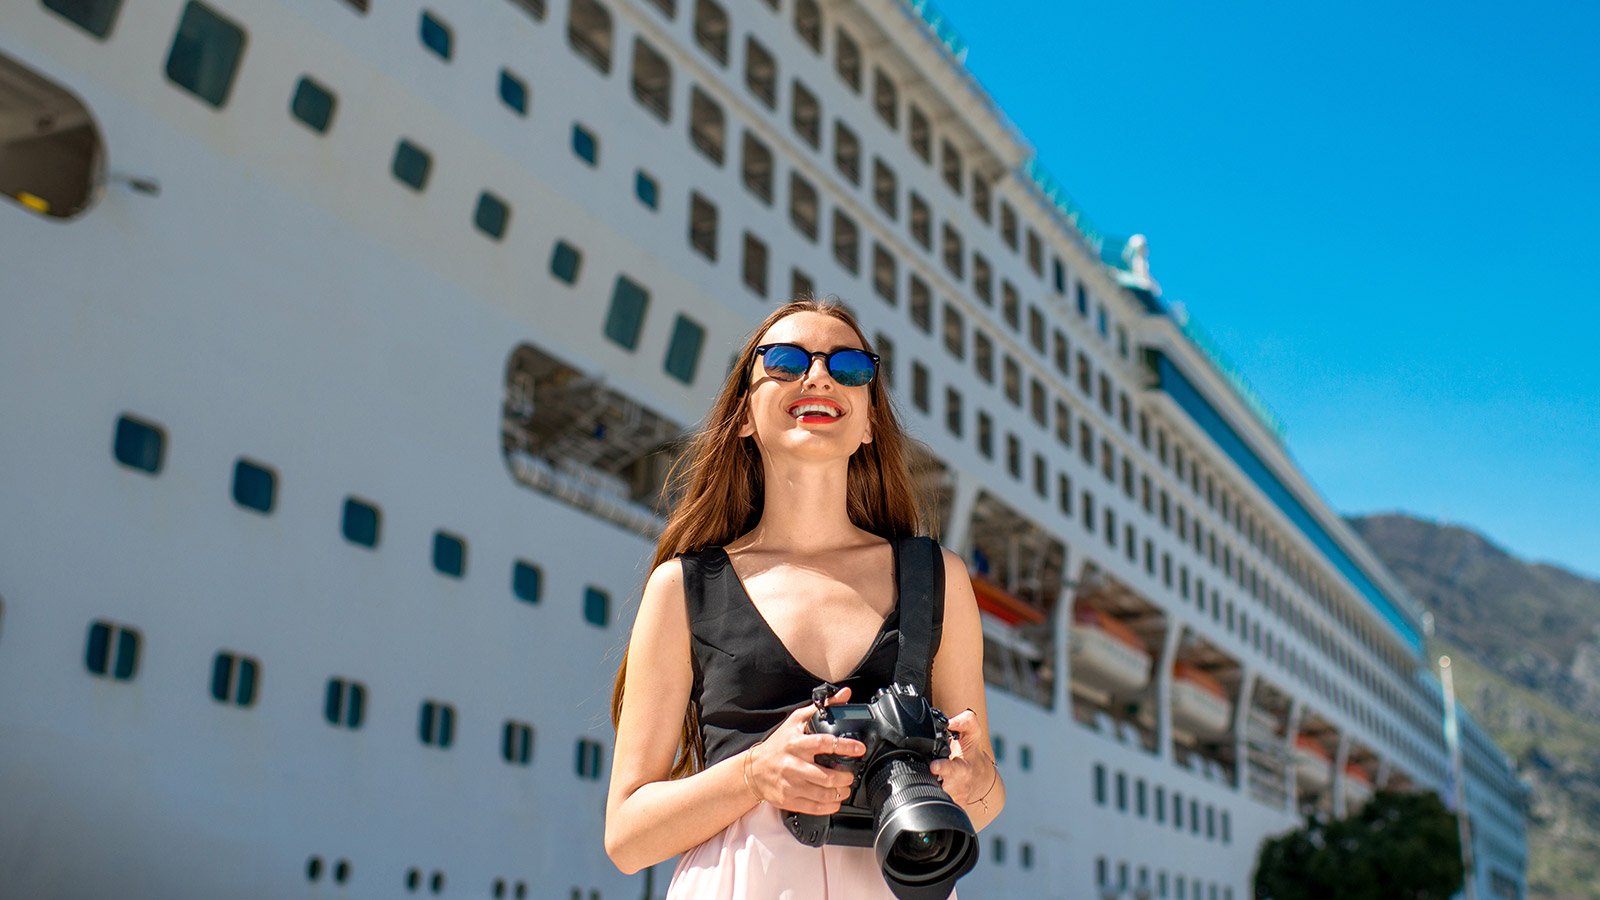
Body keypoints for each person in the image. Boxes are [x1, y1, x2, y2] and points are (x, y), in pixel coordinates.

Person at [604, 298, 1004, 898]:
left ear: (869, 421)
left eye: (850, 369)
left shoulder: (937, 578)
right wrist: (755, 772)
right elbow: (627, 837)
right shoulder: (684, 588)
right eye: (786, 362)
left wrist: (969, 778)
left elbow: (986, 800)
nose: (818, 375)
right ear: (743, 415)